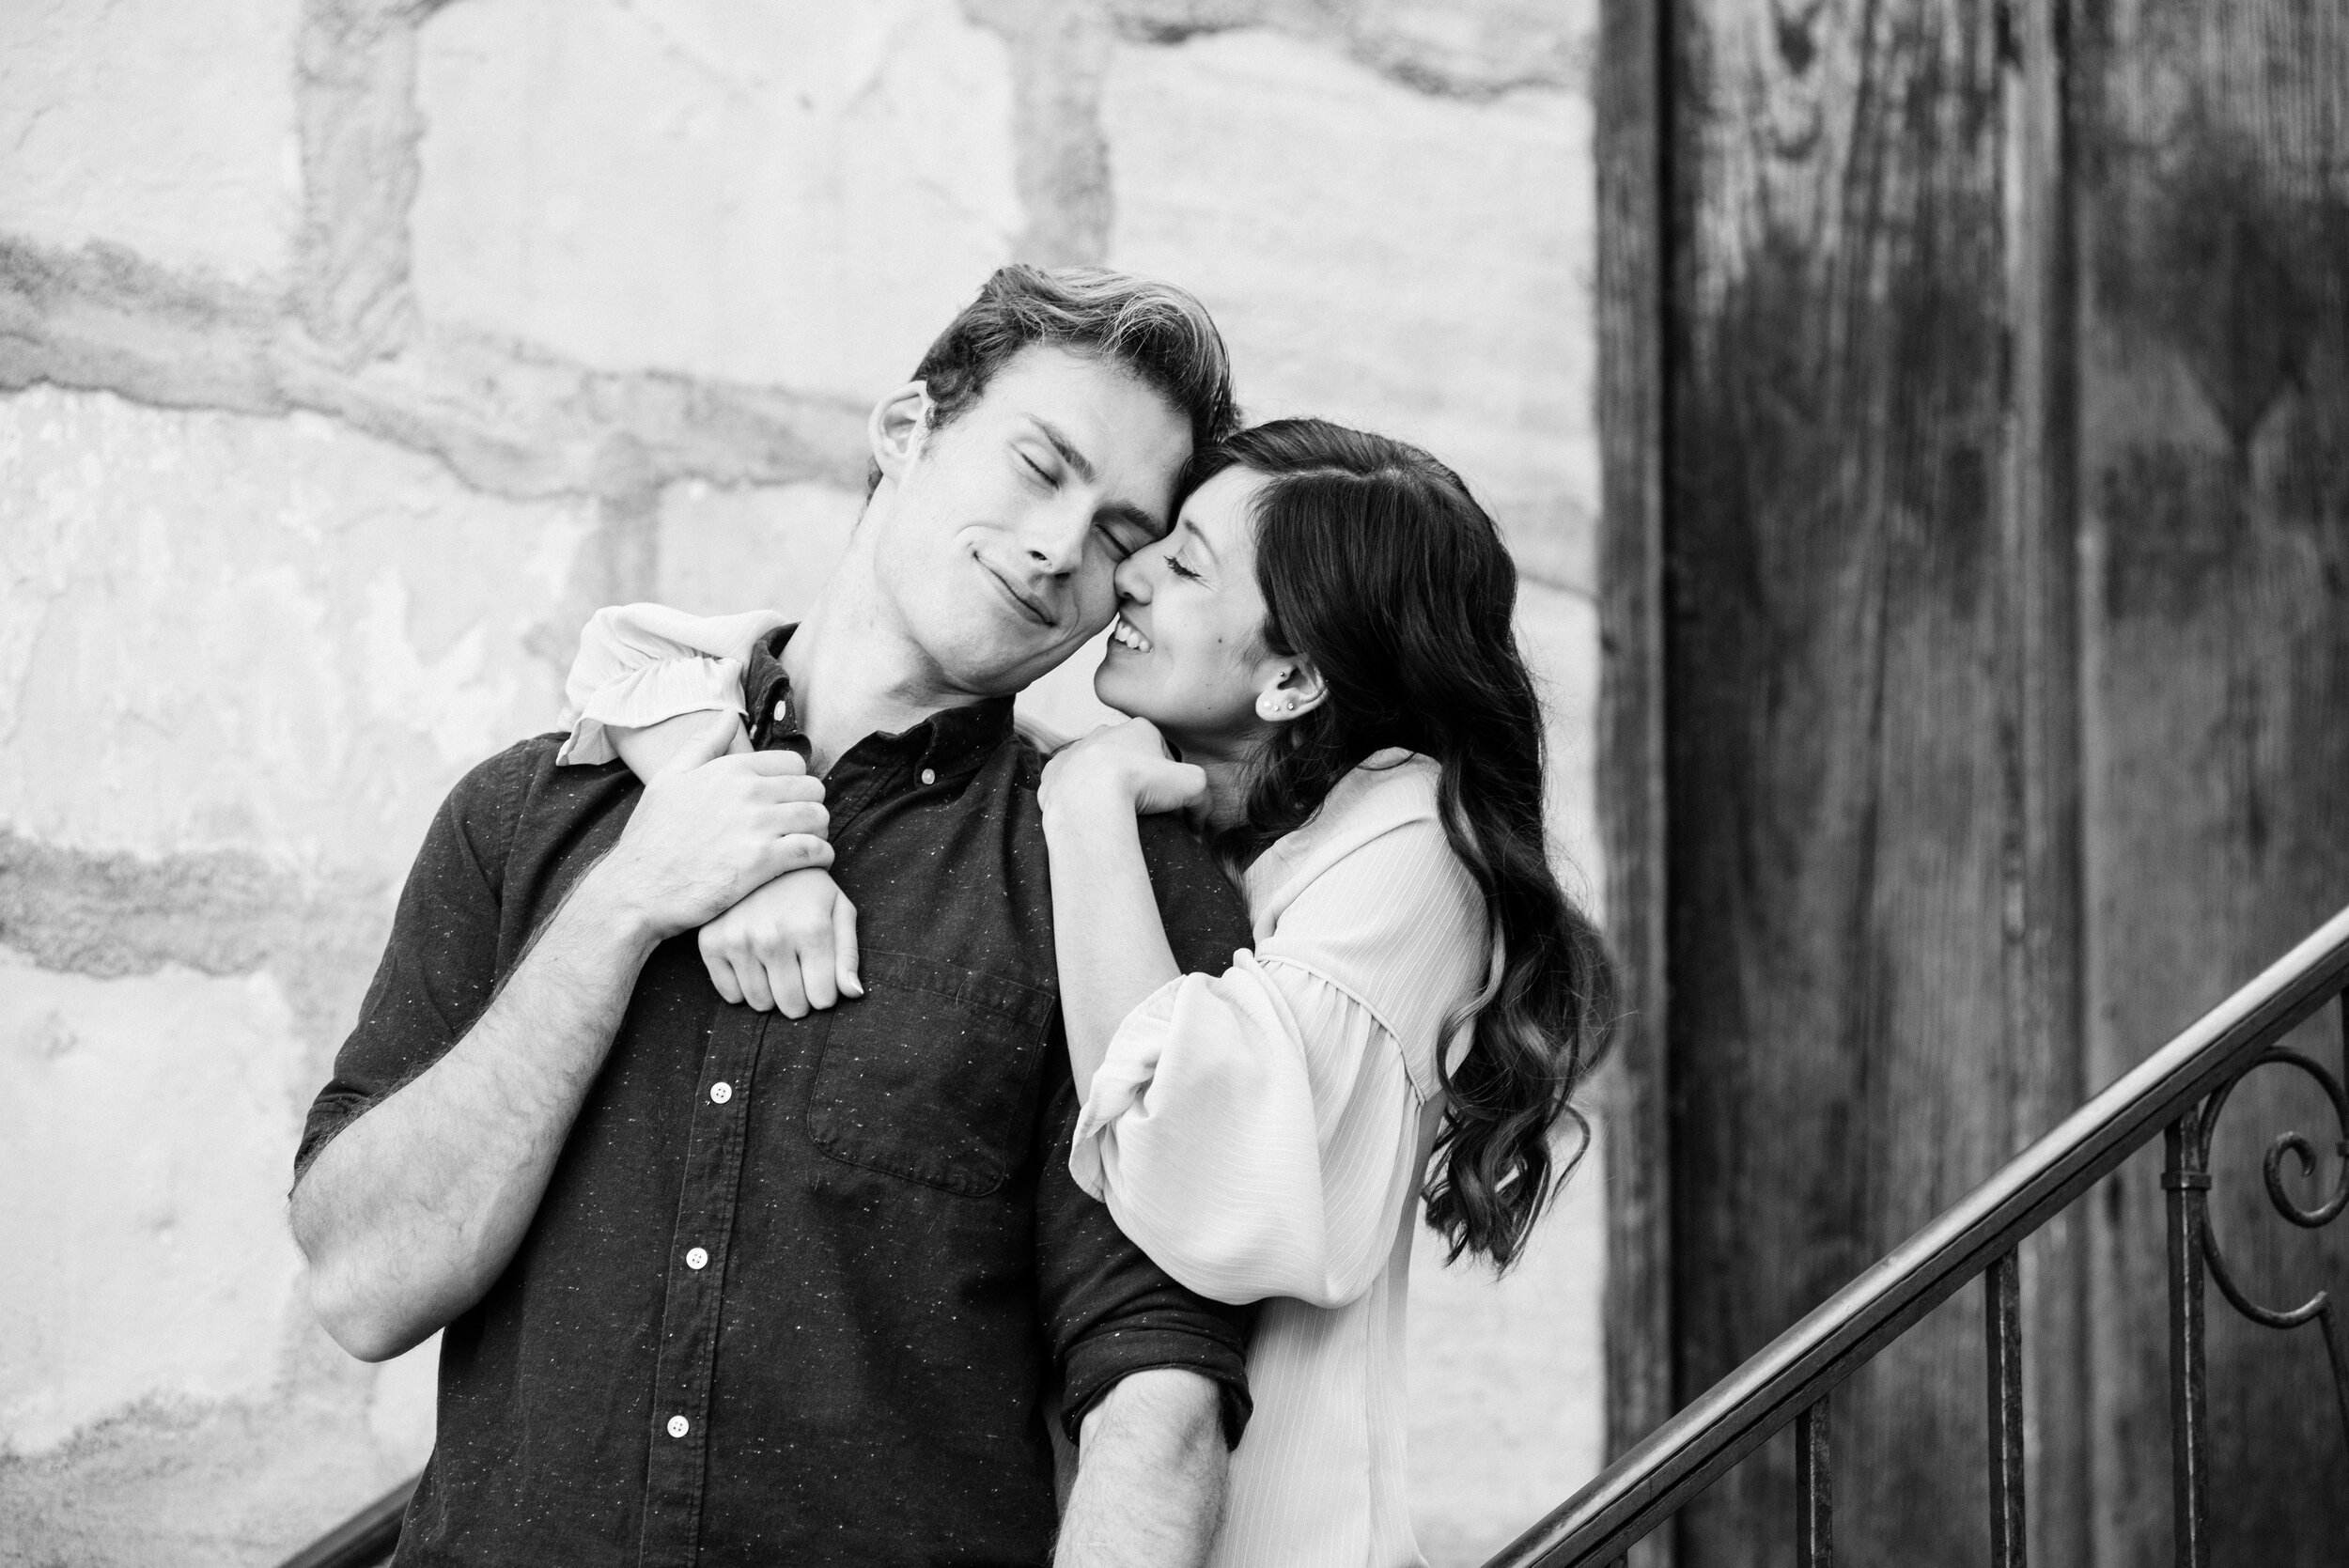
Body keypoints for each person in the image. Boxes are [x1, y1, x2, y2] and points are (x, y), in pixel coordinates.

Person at [288, 265, 1268, 1568]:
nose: (1057, 549)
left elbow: (1159, 1401)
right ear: (908, 431)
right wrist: (627, 900)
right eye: (1040, 468)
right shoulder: (534, 811)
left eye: (1115, 537)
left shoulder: (1118, 878)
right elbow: (362, 1284)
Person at [567, 418, 1616, 1568]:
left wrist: (1081, 807)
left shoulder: (1405, 845)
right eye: (1155, 540)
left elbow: (1189, 1170)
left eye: (1184, 561)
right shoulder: (1167, 812)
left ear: (1296, 677)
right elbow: (632, 652)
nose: (1129, 571)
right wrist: (752, 841)